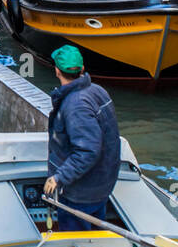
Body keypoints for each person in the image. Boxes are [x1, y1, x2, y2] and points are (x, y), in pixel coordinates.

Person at [43, 45, 121, 232]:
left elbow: (88, 151)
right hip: (102, 184)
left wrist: (59, 177)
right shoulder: (98, 91)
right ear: (82, 69)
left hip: (80, 193)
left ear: (56, 71)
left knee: (75, 244)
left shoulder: (75, 105)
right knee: (95, 232)